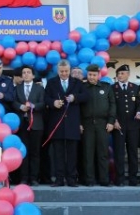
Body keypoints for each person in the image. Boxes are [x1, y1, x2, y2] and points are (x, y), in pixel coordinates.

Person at [45, 59, 88, 187]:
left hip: (72, 123)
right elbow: (46, 98)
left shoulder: (77, 83)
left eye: (66, 71)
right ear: (58, 71)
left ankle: (71, 179)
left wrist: (75, 98)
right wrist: (53, 103)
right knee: (58, 153)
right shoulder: (51, 82)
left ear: (69, 71)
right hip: (57, 123)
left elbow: (86, 96)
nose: (64, 73)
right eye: (62, 71)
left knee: (72, 153)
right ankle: (59, 179)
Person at [79, 65, 115, 187]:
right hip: (87, 124)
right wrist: (79, 123)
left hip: (103, 124)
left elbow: (112, 105)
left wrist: (111, 121)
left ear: (99, 75)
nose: (92, 77)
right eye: (90, 75)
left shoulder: (106, 87)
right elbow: (77, 107)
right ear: (87, 75)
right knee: (88, 154)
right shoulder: (82, 88)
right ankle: (89, 180)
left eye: (94, 75)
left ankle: (104, 179)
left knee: (103, 153)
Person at [13, 65, 44, 185]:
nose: (26, 74)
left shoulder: (39, 89)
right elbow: (13, 102)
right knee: (23, 152)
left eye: (28, 72)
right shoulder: (17, 88)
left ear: (33, 75)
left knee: (35, 152)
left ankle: (34, 178)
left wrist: (34, 106)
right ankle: (24, 178)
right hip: (21, 125)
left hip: (36, 124)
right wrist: (20, 107)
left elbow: (43, 103)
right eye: (24, 72)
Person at [111, 64, 140, 186]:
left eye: (122, 73)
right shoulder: (112, 88)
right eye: (118, 74)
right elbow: (111, 106)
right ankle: (120, 179)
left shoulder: (134, 87)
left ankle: (133, 178)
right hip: (119, 125)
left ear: (128, 74)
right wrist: (114, 120)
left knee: (133, 152)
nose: (120, 76)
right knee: (119, 153)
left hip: (133, 125)